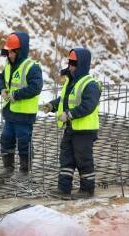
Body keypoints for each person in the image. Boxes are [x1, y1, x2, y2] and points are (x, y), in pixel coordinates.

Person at [42, 48, 101, 199]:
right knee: (66, 157)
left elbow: (88, 106)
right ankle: (64, 188)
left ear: (81, 65)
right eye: (70, 63)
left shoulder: (90, 84)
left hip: (84, 130)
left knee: (83, 159)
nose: (70, 67)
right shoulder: (71, 82)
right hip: (71, 128)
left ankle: (87, 190)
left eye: (73, 64)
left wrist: (69, 114)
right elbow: (64, 101)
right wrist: (52, 106)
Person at [0, 32, 43, 180]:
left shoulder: (32, 67)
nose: (9, 54)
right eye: (8, 51)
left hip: (24, 114)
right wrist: (2, 89)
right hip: (10, 112)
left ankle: (24, 170)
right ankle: (8, 168)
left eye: (11, 51)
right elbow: (1, 78)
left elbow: (36, 87)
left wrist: (17, 94)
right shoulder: (9, 65)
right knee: (6, 139)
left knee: (23, 142)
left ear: (19, 51)